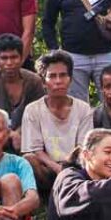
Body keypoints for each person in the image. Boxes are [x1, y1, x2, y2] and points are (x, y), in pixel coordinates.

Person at [20, 50, 94, 197]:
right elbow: (34, 149)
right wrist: (56, 167)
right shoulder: (33, 109)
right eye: (52, 76)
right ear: (43, 81)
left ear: (70, 78)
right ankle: (41, 199)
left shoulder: (83, 108)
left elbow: (83, 146)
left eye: (63, 75)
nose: (58, 81)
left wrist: (67, 168)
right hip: (47, 167)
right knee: (28, 159)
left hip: (76, 167)